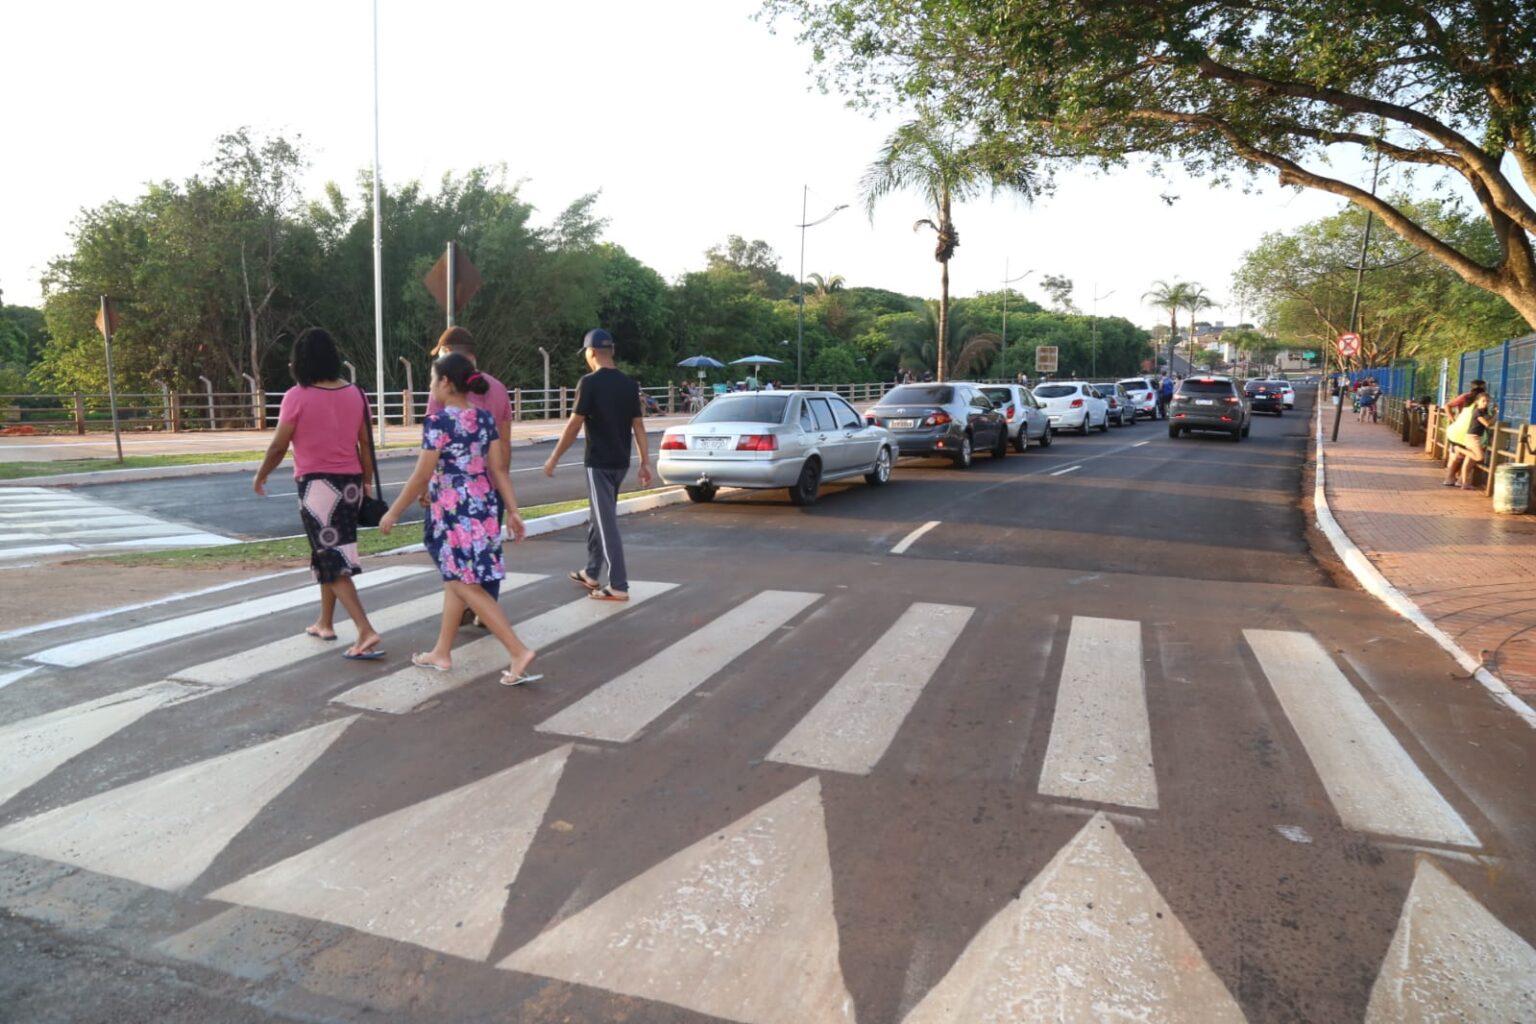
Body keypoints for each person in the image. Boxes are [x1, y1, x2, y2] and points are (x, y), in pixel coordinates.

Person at [380, 352, 540, 685]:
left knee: (461, 582)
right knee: (458, 579)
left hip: (454, 513)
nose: (430, 387)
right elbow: (498, 469)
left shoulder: (438, 422)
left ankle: (517, 650)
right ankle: (442, 651)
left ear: (446, 383)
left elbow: (421, 475)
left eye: (432, 380)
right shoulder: (483, 419)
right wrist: (512, 510)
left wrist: (393, 511)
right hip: (482, 508)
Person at [253, 327, 383, 660]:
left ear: (301, 361)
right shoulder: (357, 394)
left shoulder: (297, 396)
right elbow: (365, 443)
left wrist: (261, 474)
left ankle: (365, 631)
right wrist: (365, 483)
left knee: (331, 557)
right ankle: (324, 622)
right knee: (329, 552)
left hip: (318, 488)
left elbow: (279, 444)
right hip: (351, 483)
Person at [544, 328, 652, 601]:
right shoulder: (629, 384)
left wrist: (554, 457)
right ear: (612, 351)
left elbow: (574, 425)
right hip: (621, 462)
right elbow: (638, 426)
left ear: (591, 353)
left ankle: (618, 584)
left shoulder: (589, 382)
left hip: (599, 463)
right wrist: (644, 463)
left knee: (606, 523)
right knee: (598, 516)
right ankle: (592, 571)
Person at [425, 327, 514, 625]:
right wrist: (503, 487)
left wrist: (428, 484)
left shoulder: (443, 389)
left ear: (448, 354)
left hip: (451, 493)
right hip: (488, 487)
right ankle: (482, 606)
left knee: (442, 546)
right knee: (486, 548)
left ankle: (468, 597)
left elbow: (432, 446)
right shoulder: (499, 388)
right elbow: (505, 443)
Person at [1444, 391, 1494, 489]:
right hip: (1472, 437)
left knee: (1467, 461)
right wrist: (1496, 415)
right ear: (1476, 401)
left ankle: (1462, 482)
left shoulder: (1471, 409)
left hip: (1466, 436)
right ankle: (1459, 451)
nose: (1486, 403)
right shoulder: (1478, 411)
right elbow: (1487, 424)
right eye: (1484, 401)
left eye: (1487, 401)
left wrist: (1452, 420)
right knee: (1477, 458)